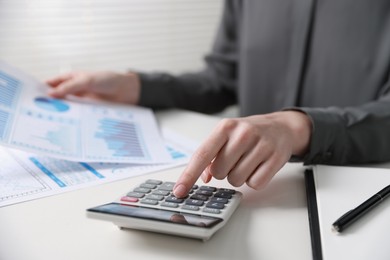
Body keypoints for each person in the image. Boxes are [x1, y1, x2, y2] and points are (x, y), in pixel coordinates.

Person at [46, 0, 390, 198]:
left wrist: (297, 127)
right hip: (250, 195)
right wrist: (135, 86)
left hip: (353, 198)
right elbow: (222, 80)